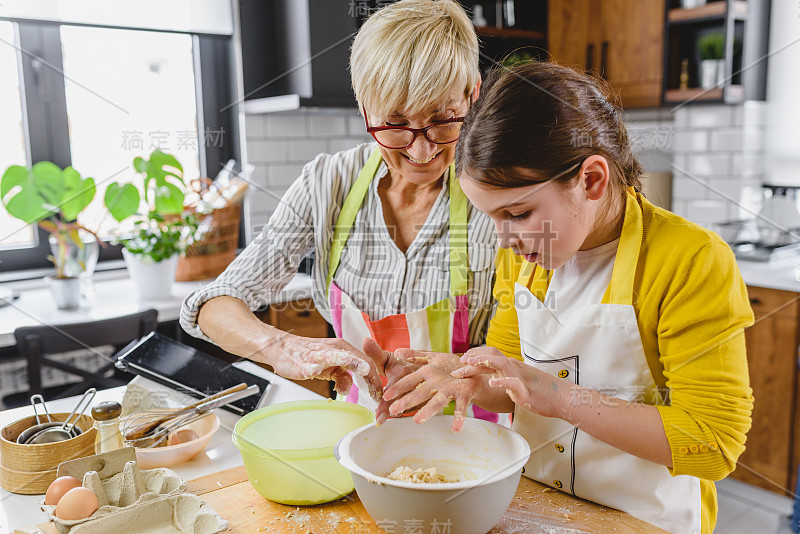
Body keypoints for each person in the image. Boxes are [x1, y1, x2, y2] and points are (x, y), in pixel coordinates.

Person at [376, 62, 753, 534]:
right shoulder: (527, 256)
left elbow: (712, 443)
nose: (503, 239)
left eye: (517, 212)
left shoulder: (690, 260)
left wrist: (557, 395)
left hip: (645, 522)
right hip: (537, 510)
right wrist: (458, 377)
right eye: (492, 218)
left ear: (592, 180)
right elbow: (513, 385)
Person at [180, 0, 506, 423]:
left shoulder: (504, 194)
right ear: (365, 107)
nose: (422, 151)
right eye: (394, 124)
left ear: (473, 93)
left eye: (443, 120)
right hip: (361, 435)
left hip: (475, 444)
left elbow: (533, 355)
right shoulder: (328, 184)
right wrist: (284, 348)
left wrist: (468, 371)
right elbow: (212, 305)